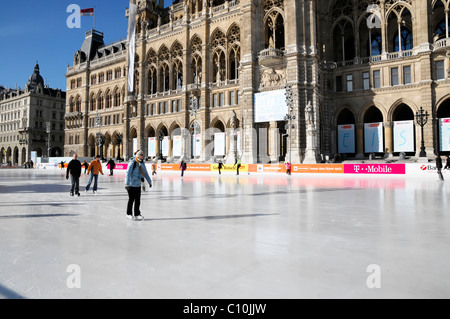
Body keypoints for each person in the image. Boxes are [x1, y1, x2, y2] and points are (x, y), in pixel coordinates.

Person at [125, 150, 152, 220]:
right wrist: (126, 183)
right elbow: (128, 173)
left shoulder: (142, 163)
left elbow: (145, 173)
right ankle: (129, 213)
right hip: (131, 184)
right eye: (142, 155)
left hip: (138, 184)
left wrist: (149, 181)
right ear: (138, 155)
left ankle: (137, 214)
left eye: (143, 155)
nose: (143, 156)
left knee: (138, 200)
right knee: (131, 199)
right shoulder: (133, 162)